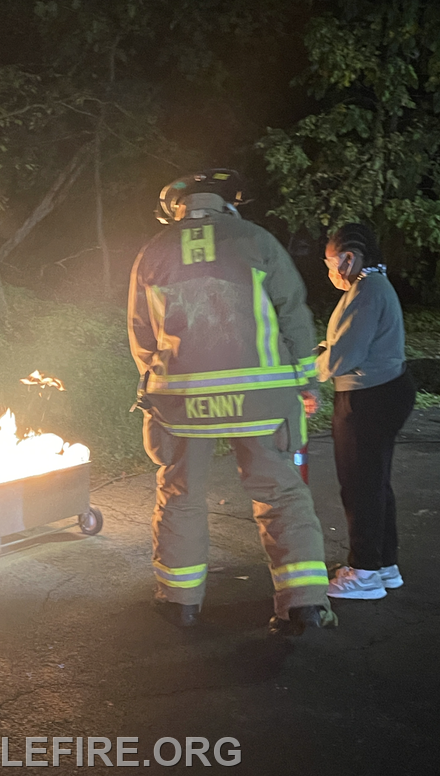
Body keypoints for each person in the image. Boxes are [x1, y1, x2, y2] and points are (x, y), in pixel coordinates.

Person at [127, 168, 337, 635]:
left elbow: (142, 334)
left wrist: (159, 381)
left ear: (176, 207)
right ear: (228, 203)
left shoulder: (153, 252)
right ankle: (303, 604)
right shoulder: (256, 239)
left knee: (180, 494)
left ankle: (180, 602)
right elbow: (293, 314)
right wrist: (306, 382)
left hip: (183, 405)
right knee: (281, 493)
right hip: (261, 399)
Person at [317, 223, 416, 599]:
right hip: (383, 392)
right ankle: (383, 564)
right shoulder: (371, 287)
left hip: (368, 398)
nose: (329, 272)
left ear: (349, 258)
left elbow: (345, 356)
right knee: (374, 482)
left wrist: (308, 372)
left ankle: (364, 573)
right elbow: (348, 341)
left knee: (360, 485)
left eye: (330, 263)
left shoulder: (367, 291)